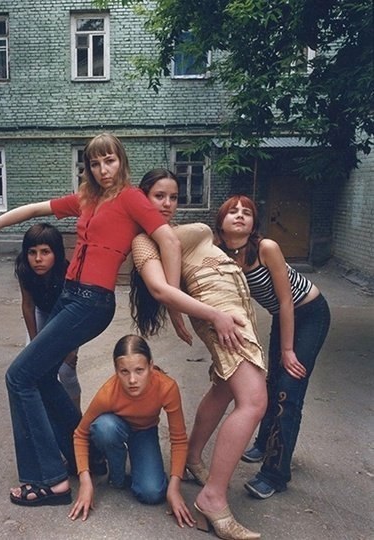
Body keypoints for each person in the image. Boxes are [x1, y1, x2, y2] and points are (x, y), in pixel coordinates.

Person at [0, 133, 183, 507]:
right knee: (40, 376)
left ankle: (50, 480)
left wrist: (174, 303)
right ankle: (89, 455)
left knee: (18, 376)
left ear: (121, 161)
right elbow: (35, 209)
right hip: (70, 295)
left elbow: (171, 242)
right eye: (95, 163)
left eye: (109, 160)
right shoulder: (87, 199)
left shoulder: (131, 198)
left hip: (92, 302)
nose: (103, 169)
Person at [130, 169, 267, 540]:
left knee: (224, 388)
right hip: (221, 314)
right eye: (159, 196)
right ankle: (212, 499)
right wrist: (209, 316)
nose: (168, 204)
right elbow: (161, 289)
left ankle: (192, 458)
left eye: (174, 197)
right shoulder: (144, 241)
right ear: (142, 198)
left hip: (236, 311)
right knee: (254, 401)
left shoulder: (170, 233)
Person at [215, 195, 331, 499]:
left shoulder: (267, 248)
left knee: (289, 390)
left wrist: (287, 350)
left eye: (247, 212)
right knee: (272, 383)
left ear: (254, 223)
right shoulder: (220, 252)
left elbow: (286, 301)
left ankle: (275, 474)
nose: (240, 215)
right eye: (233, 211)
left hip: (309, 312)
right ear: (221, 221)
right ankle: (265, 442)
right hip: (284, 317)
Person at [68, 334, 195, 528]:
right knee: (104, 428)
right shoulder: (108, 392)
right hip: (115, 427)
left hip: (145, 431)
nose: (132, 380)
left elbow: (178, 439)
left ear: (151, 366)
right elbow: (80, 434)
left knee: (152, 493)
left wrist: (175, 487)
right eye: (124, 372)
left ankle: (140, 461)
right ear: (116, 370)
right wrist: (85, 482)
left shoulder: (166, 387)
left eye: (139, 370)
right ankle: (116, 476)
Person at [15, 223, 81, 410]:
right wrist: (35, 342)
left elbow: (75, 314)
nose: (38, 259)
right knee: (31, 367)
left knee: (66, 370)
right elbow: (28, 305)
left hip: (66, 318)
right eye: (32, 252)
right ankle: (43, 414)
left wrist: (70, 350)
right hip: (41, 313)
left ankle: (77, 417)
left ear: (56, 253)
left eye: (45, 252)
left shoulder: (68, 274)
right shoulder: (24, 270)